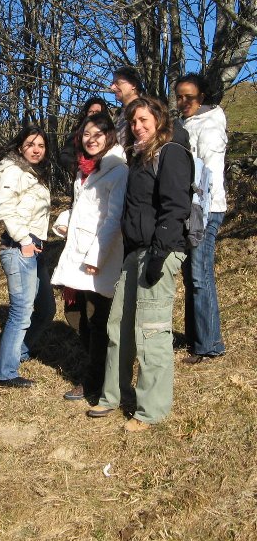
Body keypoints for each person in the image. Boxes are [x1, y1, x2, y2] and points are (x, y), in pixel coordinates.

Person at [87, 97, 192, 432]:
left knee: (151, 332)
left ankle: (151, 410)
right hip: (135, 253)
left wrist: (160, 254)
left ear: (159, 120)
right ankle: (112, 394)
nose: (138, 127)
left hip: (159, 251)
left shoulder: (171, 152)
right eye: (133, 122)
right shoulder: (138, 157)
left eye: (144, 120)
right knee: (118, 326)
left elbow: (176, 207)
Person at [51, 112, 128, 403]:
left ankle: (95, 382)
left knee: (98, 321)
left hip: (101, 255)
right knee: (74, 314)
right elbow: (81, 207)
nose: (91, 139)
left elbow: (113, 218)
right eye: (86, 134)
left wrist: (97, 255)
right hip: (79, 250)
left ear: (109, 136)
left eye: (98, 134)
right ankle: (102, 371)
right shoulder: (86, 170)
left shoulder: (118, 170)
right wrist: (63, 220)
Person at [0, 124, 56, 388]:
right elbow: (3, 208)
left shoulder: (31, 174)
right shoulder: (14, 171)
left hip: (34, 248)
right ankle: (4, 373)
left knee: (46, 309)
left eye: (41, 145)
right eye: (31, 144)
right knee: (21, 312)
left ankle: (18, 353)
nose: (36, 149)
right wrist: (25, 240)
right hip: (19, 248)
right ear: (21, 146)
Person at [175, 73, 227, 363]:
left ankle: (208, 344)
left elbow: (207, 175)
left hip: (206, 209)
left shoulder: (210, 127)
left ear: (202, 98)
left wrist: (198, 210)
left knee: (200, 274)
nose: (183, 102)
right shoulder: (186, 123)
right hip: (190, 208)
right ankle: (197, 337)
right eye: (179, 97)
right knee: (191, 275)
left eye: (189, 97)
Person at [59, 97, 112, 173]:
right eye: (91, 112)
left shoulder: (110, 132)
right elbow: (65, 155)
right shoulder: (77, 133)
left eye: (97, 112)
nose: (94, 114)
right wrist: (80, 167)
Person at [110, 66, 145, 146]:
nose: (112, 88)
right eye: (112, 84)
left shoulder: (147, 110)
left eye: (117, 83)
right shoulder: (117, 115)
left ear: (133, 85)